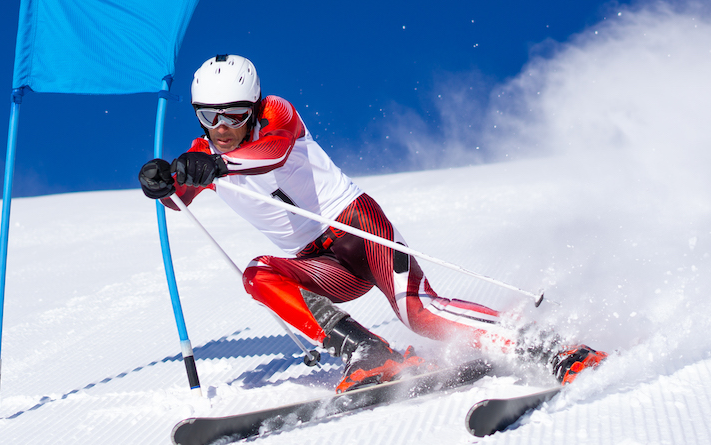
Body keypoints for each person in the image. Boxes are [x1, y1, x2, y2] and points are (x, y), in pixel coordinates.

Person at [139, 54, 606, 392]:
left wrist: (214, 168)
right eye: (209, 116)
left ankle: (556, 348)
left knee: (418, 312)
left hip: (360, 230)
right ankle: (369, 355)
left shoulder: (278, 115)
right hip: (321, 266)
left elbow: (272, 153)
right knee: (258, 274)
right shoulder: (200, 157)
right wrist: (162, 183)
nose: (222, 127)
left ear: (254, 107)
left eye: (234, 114)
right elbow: (178, 202)